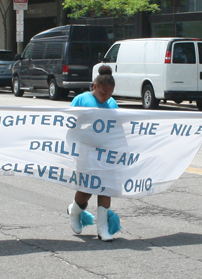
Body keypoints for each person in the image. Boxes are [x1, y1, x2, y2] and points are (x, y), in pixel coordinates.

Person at [67, 65, 120, 242]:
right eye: (103, 94)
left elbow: (117, 128)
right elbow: (69, 126)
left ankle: (103, 228)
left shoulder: (112, 104)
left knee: (105, 188)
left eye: (110, 94)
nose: (106, 98)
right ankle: (75, 211)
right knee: (86, 190)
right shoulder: (81, 100)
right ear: (95, 86)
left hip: (105, 153)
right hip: (85, 152)